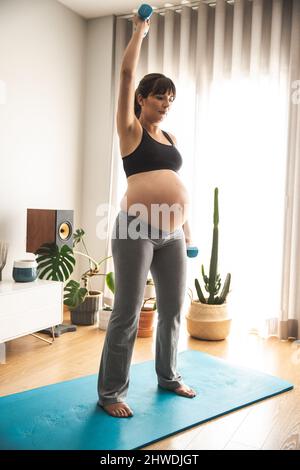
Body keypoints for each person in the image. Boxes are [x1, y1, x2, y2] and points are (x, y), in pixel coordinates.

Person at [98, 14, 196, 418]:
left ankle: (168, 376)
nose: (166, 103)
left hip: (171, 234)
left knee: (173, 308)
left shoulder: (170, 138)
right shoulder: (130, 130)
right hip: (135, 228)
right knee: (127, 310)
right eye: (159, 96)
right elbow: (125, 73)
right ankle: (110, 393)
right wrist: (140, 32)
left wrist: (188, 234)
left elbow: (177, 185)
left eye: (170, 98)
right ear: (142, 98)